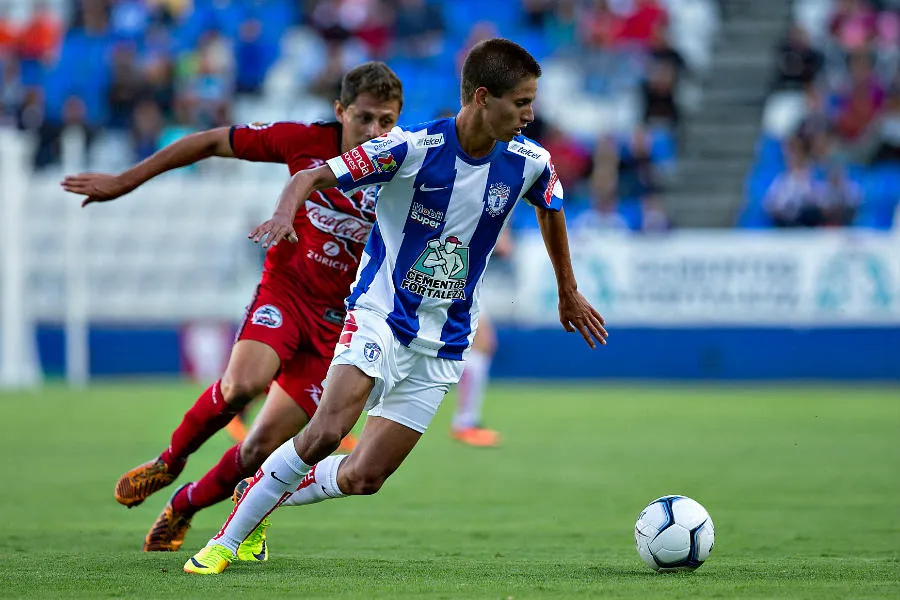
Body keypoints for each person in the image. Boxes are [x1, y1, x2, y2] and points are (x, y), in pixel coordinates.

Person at [183, 38, 608, 575]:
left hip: (444, 341)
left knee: (365, 477)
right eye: (521, 102)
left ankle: (262, 487)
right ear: (482, 98)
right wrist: (286, 214)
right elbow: (309, 175)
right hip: (380, 315)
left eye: (532, 102)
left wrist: (567, 292)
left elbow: (552, 205)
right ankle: (224, 543)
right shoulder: (408, 148)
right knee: (327, 431)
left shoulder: (528, 162)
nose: (531, 114)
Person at [61, 62, 403, 554]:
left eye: (386, 122)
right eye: (364, 119)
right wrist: (126, 180)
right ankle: (169, 461)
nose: (374, 132)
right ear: (339, 111)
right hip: (287, 292)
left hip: (343, 325)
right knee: (244, 383)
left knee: (261, 448)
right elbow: (208, 141)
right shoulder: (301, 140)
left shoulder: (403, 164)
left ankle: (185, 505)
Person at [449, 228, 512, 447]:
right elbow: (504, 245)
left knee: (483, 344)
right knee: (482, 344)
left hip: (465, 271)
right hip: (456, 270)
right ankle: (465, 423)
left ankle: (466, 421)